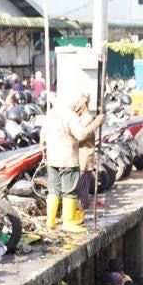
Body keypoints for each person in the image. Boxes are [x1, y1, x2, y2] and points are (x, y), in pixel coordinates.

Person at [42, 87, 102, 232]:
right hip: (67, 160)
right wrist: (97, 123)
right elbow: (80, 135)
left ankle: (50, 222)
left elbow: (42, 137)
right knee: (69, 192)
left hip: (52, 159)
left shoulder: (51, 114)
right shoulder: (70, 116)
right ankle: (68, 222)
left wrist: (44, 152)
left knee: (53, 191)